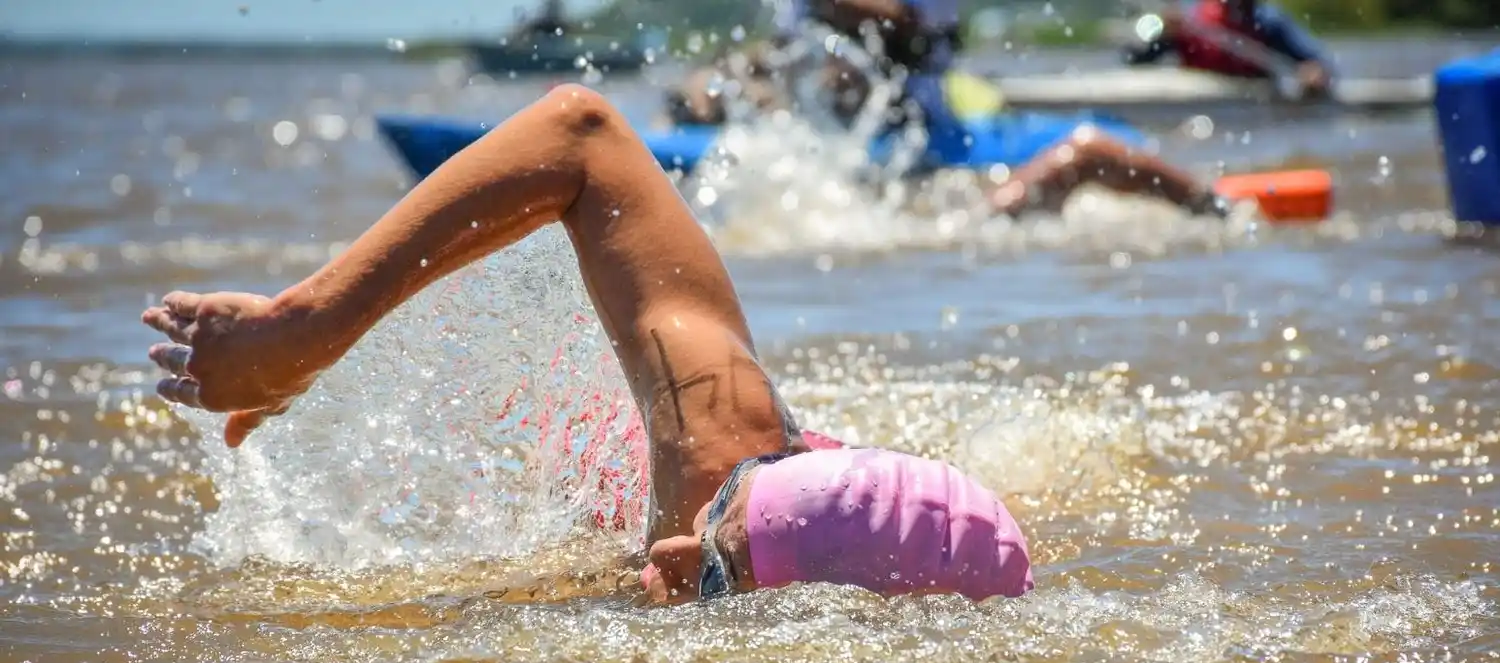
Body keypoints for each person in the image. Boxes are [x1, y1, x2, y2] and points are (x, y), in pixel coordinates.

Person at [141, 85, 1035, 604]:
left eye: (720, 579)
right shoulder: (715, 447)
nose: (680, 558)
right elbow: (581, 133)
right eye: (714, 529)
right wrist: (308, 330)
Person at [669, 1, 1229, 217]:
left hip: (938, 164)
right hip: (898, 174)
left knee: (1093, 145)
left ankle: (1217, 205)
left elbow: (907, 26)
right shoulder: (807, 157)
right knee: (1089, 148)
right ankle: (1215, 206)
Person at [1122, 0, 1334, 95]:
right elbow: (1135, 60)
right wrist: (1164, 33)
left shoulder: (1269, 22)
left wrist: (1314, 73)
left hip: (1250, 97)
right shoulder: (1190, 19)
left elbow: (1317, 64)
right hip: (1198, 96)